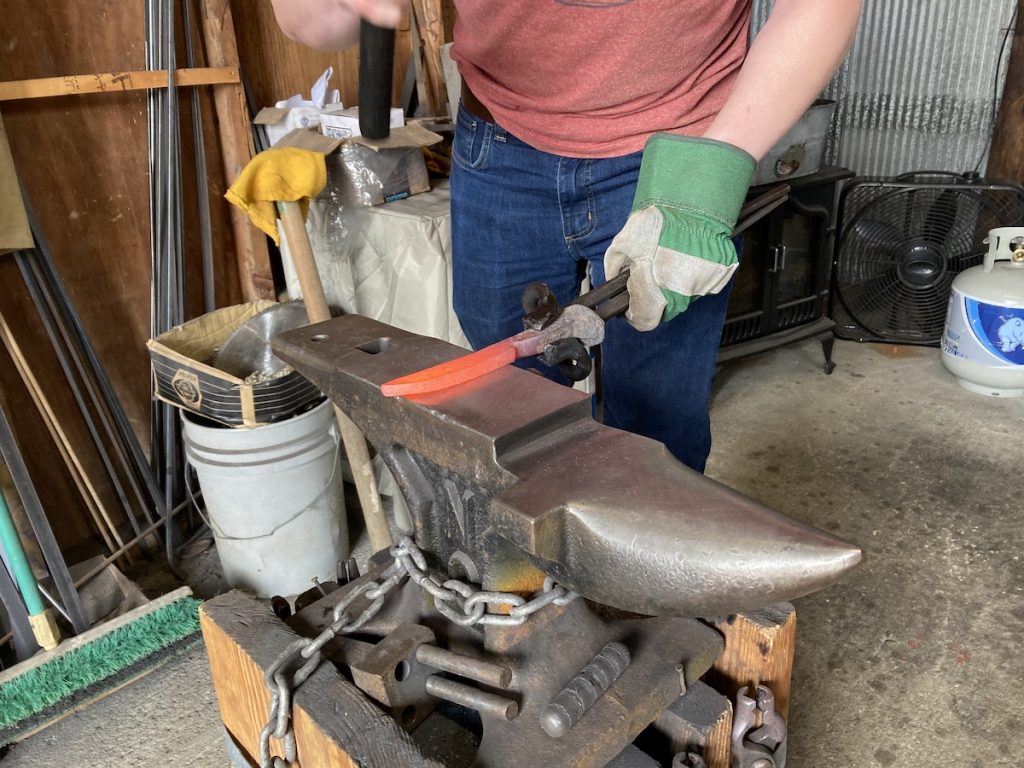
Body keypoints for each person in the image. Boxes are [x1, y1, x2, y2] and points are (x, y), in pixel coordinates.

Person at [271, 0, 862, 472]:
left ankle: (643, 601)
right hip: (499, 142)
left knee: (657, 420)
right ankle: (532, 591)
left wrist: (707, 181)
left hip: (677, 154)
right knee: (506, 409)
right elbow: (305, 16)